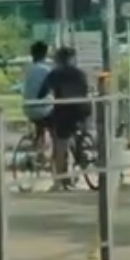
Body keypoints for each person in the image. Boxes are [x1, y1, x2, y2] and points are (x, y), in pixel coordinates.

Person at [42, 46, 92, 189]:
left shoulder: (55, 74)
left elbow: (42, 91)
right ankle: (81, 148)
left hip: (64, 111)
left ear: (58, 60)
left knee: (60, 144)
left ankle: (61, 179)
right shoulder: (80, 74)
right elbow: (85, 90)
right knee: (78, 134)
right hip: (82, 110)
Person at [21, 42, 55, 152]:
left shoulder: (28, 68)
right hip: (42, 109)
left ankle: (38, 143)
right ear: (45, 53)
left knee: (40, 124)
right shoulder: (46, 70)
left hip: (27, 107)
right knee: (56, 125)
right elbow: (49, 89)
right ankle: (55, 153)